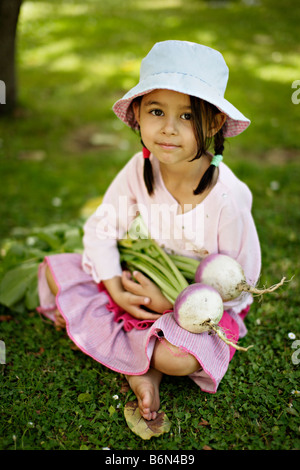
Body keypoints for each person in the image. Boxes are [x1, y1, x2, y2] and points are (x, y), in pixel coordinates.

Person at [38, 40, 261, 421]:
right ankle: (141, 364)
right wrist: (116, 289)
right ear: (138, 114)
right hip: (139, 288)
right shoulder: (139, 170)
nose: (169, 129)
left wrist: (170, 304)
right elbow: (101, 230)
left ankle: (141, 362)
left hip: (196, 305)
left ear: (214, 122)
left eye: (188, 116)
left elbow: (240, 282)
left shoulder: (228, 198)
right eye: (157, 111)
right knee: (53, 271)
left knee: (180, 358)